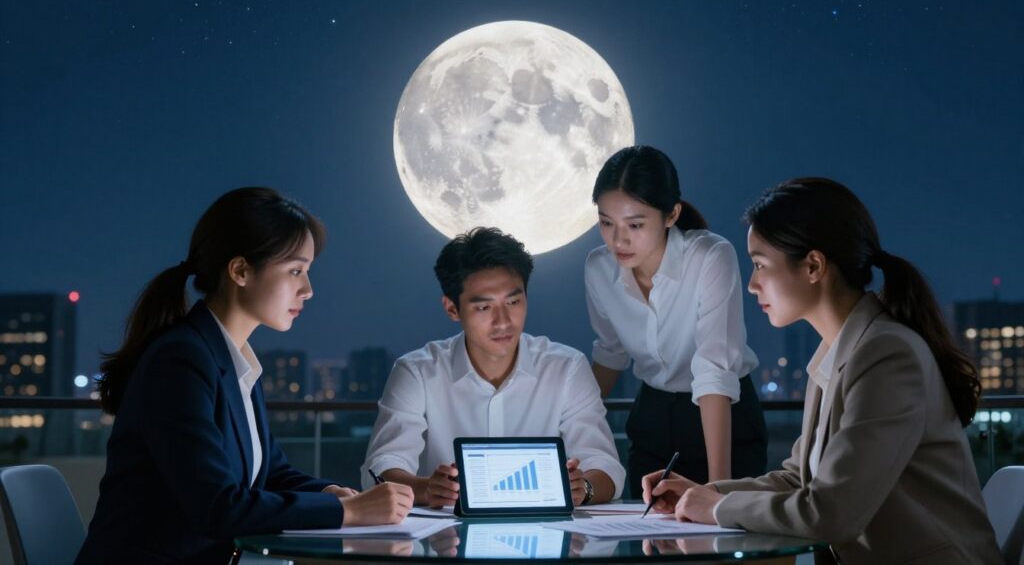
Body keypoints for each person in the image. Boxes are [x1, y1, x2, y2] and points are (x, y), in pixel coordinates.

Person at [642, 177, 1002, 564]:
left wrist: (714, 508)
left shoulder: (887, 355)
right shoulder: (838, 350)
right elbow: (797, 479)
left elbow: (831, 513)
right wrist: (707, 492)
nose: (752, 285)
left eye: (761, 265)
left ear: (813, 265)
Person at [76, 188, 412, 565]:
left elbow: (270, 472)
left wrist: (333, 493)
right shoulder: (181, 361)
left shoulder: (232, 360)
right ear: (240, 271)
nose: (308, 290)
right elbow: (219, 507)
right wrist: (349, 513)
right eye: (295, 271)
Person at [361, 227, 625, 506]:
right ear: (452, 309)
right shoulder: (418, 372)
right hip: (445, 541)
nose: (503, 321)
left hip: (547, 538)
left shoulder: (566, 368)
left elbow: (605, 464)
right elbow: (380, 468)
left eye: (513, 301)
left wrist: (583, 487)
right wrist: (426, 489)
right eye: (484, 308)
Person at [585, 145, 767, 495]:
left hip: (723, 417)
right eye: (606, 223)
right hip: (652, 416)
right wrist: (563, 431)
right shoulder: (598, 268)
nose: (618, 240)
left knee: (721, 541)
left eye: (635, 224)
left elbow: (714, 372)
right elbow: (610, 354)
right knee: (647, 539)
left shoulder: (711, 256)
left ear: (671, 215)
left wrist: (716, 492)